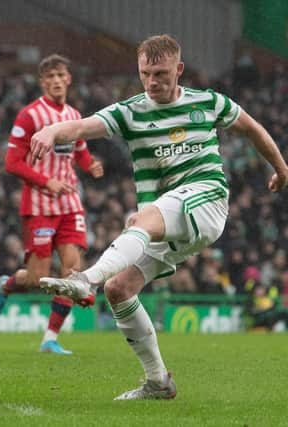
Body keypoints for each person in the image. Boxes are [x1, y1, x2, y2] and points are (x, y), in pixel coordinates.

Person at [31, 34, 288, 399]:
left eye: (161, 73)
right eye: (146, 73)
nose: (152, 81)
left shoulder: (209, 102)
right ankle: (158, 381)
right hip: (165, 220)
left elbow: (251, 129)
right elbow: (83, 126)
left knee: (141, 219)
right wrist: (52, 129)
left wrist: (281, 169)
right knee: (118, 289)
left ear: (179, 70)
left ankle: (84, 279)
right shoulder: (131, 111)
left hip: (207, 198)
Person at [0, 54, 103, 355]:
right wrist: (45, 181)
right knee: (38, 278)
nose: (55, 80)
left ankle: (50, 338)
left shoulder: (75, 115)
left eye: (60, 75)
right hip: (39, 206)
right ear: (42, 82)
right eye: (49, 76)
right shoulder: (29, 116)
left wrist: (91, 166)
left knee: (72, 274)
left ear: (68, 79)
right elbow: (11, 163)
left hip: (70, 204)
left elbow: (80, 152)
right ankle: (8, 285)